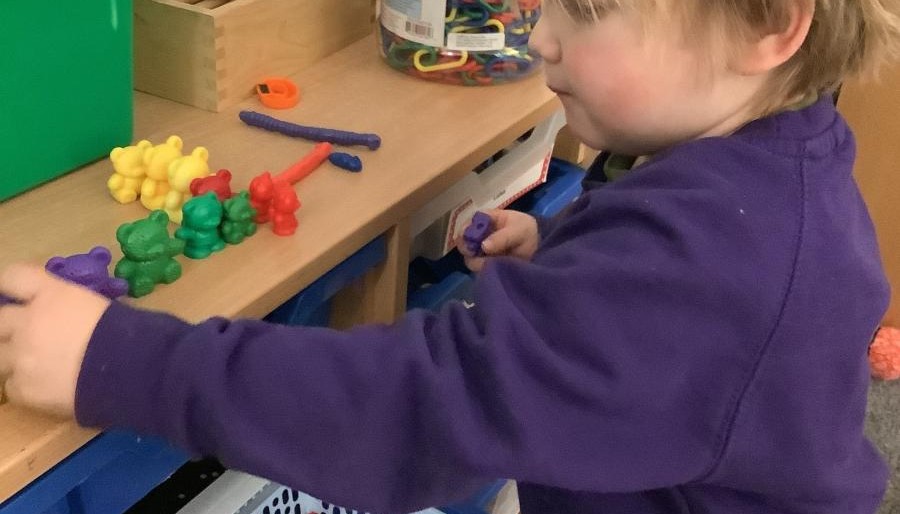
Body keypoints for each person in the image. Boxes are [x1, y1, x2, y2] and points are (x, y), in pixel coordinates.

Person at [2, 1, 899, 512]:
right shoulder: (771, 165)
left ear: (766, 29)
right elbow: (679, 324)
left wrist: (117, 360)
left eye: (587, 9)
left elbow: (419, 414)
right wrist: (566, 253)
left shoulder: (718, 260)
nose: (543, 37)